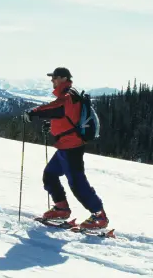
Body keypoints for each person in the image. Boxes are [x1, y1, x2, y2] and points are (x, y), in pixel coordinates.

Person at [23, 67, 108, 230]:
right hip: (65, 146)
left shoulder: (67, 97)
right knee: (50, 174)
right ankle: (61, 208)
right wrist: (53, 124)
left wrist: (33, 113)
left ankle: (99, 216)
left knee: (77, 183)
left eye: (54, 78)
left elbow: (55, 108)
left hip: (71, 148)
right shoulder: (70, 94)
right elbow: (67, 116)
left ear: (62, 78)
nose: (52, 81)